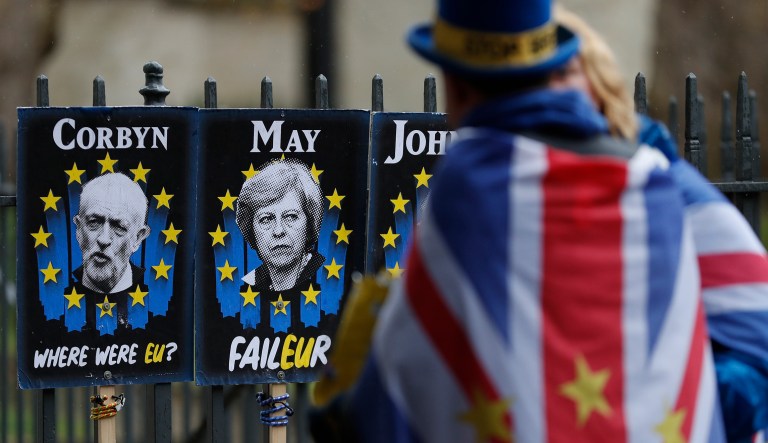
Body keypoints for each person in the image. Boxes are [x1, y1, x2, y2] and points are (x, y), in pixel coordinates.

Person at [310, 0, 758, 441]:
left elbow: (392, 390)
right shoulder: (655, 184)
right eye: (559, 74)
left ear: (456, 85)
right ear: (544, 71)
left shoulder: (472, 183)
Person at [555, 6, 768, 441]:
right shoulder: (516, 191)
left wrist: (670, 402)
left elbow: (755, 345)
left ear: (598, 90)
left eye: (562, 75)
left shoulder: (665, 190)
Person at [236, 159, 325, 292]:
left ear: (309, 224)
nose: (278, 231)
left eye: (290, 216)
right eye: (266, 219)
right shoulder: (246, 286)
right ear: (252, 230)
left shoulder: (328, 278)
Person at [73, 172, 150, 294]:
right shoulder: (57, 301)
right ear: (79, 229)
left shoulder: (154, 301)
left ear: (138, 238)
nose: (103, 239)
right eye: (94, 222)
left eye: (119, 227)